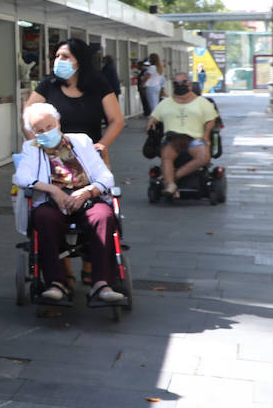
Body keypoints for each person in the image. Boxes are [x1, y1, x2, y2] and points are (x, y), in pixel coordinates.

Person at [14, 102, 126, 304]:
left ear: (58, 122)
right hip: (53, 201)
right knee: (43, 218)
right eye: (39, 131)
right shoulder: (31, 148)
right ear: (33, 134)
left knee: (103, 216)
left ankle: (102, 283)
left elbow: (105, 176)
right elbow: (21, 177)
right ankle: (57, 283)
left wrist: (87, 191)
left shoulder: (81, 141)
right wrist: (53, 190)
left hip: (86, 197)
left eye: (49, 127)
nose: (46, 133)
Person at [25, 38, 123, 163]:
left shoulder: (99, 85)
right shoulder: (48, 84)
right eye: (57, 56)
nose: (59, 60)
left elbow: (116, 120)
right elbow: (27, 117)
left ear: (80, 60)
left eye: (65, 56)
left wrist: (101, 145)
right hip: (53, 158)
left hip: (90, 158)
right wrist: (38, 147)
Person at [146, 74, 219, 198]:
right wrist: (151, 123)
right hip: (172, 139)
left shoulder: (202, 102)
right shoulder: (165, 103)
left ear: (190, 84)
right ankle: (170, 185)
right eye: (176, 83)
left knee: (203, 157)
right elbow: (154, 117)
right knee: (166, 156)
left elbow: (211, 120)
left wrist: (206, 135)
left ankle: (172, 179)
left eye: (183, 82)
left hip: (194, 139)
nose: (180, 85)